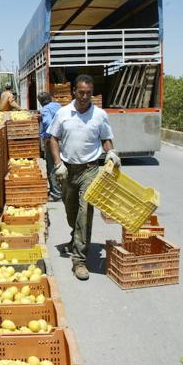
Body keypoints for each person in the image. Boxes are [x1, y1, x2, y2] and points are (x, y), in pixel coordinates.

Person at [46, 74, 121, 281]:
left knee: (85, 213)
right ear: (74, 92)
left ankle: (79, 260)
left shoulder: (99, 115)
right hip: (68, 171)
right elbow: (53, 137)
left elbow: (106, 138)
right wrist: (58, 163)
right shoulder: (63, 113)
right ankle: (75, 236)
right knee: (71, 212)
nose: (85, 97)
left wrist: (111, 152)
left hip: (90, 170)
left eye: (88, 93)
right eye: (81, 92)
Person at [37, 91, 63, 201]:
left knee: (52, 166)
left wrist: (47, 137)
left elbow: (47, 123)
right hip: (63, 138)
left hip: (53, 140)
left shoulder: (45, 109)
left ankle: (56, 194)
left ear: (41, 102)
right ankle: (64, 191)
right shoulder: (58, 106)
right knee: (63, 164)